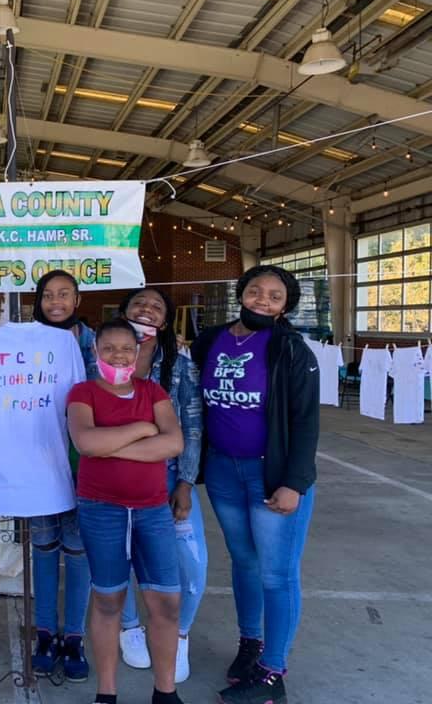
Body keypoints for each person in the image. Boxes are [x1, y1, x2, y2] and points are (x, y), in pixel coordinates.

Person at [191, 265, 318, 704]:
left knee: (276, 574)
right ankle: (251, 645)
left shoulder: (291, 350)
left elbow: (306, 422)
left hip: (272, 476)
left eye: (275, 296)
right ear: (241, 293)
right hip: (225, 471)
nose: (263, 300)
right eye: (256, 291)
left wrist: (294, 482)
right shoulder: (211, 340)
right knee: (243, 562)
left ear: (286, 306)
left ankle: (273, 672)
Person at [69, 319, 186, 704]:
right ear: (95, 352)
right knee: (108, 600)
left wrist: (108, 446)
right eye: (109, 349)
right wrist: (141, 428)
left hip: (152, 511)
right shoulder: (83, 392)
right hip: (102, 510)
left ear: (137, 354)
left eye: (125, 349)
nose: (117, 355)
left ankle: (165, 691)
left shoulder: (154, 391)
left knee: (165, 602)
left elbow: (173, 444)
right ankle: (107, 692)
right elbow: (85, 441)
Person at [117, 288, 205, 683]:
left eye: (155, 308)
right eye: (139, 305)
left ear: (165, 322)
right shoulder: (99, 360)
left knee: (191, 566)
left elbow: (192, 426)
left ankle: (179, 633)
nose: (146, 311)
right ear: (124, 313)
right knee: (122, 559)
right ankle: (130, 627)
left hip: (167, 477)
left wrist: (185, 483)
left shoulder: (180, 365)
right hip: (112, 478)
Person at [28, 269, 95, 681]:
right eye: (49, 295)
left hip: (84, 465)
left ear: (76, 300)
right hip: (37, 464)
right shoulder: (27, 342)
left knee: (78, 551)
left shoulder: (96, 343)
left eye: (64, 294)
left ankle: (74, 636)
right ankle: (45, 633)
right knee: (44, 548)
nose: (56, 302)